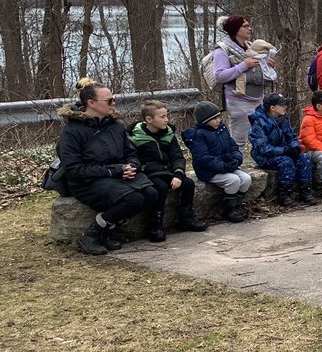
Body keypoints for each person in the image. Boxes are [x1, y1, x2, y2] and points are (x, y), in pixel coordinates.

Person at [57, 79, 158, 255]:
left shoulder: (115, 126)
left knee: (151, 194)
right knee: (133, 199)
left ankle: (107, 230)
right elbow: (74, 169)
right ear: (91, 103)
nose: (114, 103)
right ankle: (91, 235)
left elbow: (131, 152)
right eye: (109, 101)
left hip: (116, 175)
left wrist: (132, 166)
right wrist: (116, 170)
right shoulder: (72, 132)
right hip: (87, 181)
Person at [128, 99, 209, 242]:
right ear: (149, 119)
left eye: (167, 116)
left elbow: (177, 156)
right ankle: (156, 225)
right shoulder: (136, 137)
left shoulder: (168, 134)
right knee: (161, 187)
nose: (166, 120)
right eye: (162, 117)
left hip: (168, 171)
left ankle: (186, 218)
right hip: (150, 173)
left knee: (188, 184)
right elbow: (134, 159)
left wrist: (178, 173)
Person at [182, 102, 252, 223]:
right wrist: (223, 166)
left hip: (225, 166)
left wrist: (236, 158)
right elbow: (202, 158)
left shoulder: (222, 129)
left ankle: (236, 206)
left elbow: (233, 146)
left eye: (218, 116)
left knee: (246, 179)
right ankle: (228, 210)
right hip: (207, 170)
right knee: (233, 180)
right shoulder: (197, 135)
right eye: (214, 118)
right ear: (204, 120)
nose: (218, 120)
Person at [211, 14, 273, 148]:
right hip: (238, 101)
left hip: (257, 100)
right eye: (245, 26)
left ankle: (255, 166)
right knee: (239, 141)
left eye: (249, 26)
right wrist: (243, 65)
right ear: (235, 29)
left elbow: (255, 70)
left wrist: (267, 65)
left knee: (258, 138)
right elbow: (220, 76)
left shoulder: (250, 47)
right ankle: (236, 165)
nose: (249, 29)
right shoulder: (222, 49)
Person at [248, 93, 317, 206]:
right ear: (273, 108)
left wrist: (295, 146)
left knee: (303, 158)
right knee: (286, 162)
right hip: (265, 156)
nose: (285, 107)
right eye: (282, 105)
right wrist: (285, 151)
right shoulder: (258, 122)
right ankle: (284, 195)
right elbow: (263, 148)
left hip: (282, 151)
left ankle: (306, 192)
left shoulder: (283, 118)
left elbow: (291, 136)